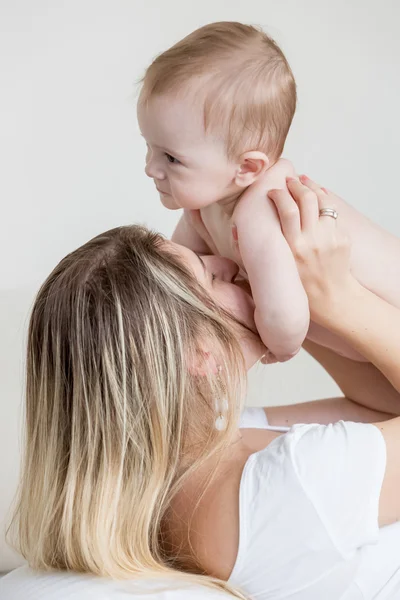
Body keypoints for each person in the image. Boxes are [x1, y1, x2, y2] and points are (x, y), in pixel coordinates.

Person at [3, 176, 400, 600]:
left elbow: (377, 403)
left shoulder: (193, 465)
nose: (229, 266)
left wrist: (291, 302)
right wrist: (338, 297)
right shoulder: (291, 484)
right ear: (200, 354)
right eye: (211, 276)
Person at [138, 21, 400, 364]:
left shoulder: (259, 210)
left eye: (171, 158)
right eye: (149, 147)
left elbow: (287, 321)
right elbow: (175, 278)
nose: (150, 168)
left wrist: (276, 344)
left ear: (247, 169)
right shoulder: (203, 209)